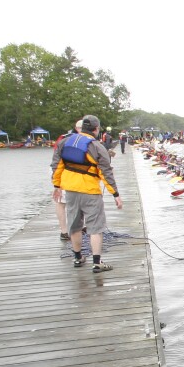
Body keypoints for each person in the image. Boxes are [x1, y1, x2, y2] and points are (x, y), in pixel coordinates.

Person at [53, 114, 122, 273]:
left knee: (75, 226)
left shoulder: (64, 142)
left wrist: (57, 186)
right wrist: (115, 194)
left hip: (70, 191)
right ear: (96, 129)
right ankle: (97, 263)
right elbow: (106, 173)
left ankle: (78, 258)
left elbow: (57, 166)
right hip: (91, 192)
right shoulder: (98, 147)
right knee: (95, 228)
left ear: (81, 128)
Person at [49, 119, 84, 240]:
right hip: (63, 174)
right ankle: (64, 231)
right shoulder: (67, 140)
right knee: (61, 202)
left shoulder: (68, 139)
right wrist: (56, 183)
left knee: (75, 201)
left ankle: (74, 228)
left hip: (74, 175)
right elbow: (57, 161)